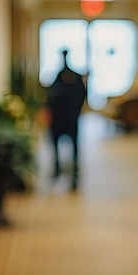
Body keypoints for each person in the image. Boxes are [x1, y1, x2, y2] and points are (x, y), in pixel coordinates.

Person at [47, 49, 87, 190]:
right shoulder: (58, 77)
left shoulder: (74, 76)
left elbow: (82, 94)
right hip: (60, 117)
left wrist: (76, 111)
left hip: (70, 117)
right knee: (57, 141)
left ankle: (74, 169)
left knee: (74, 143)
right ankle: (58, 166)